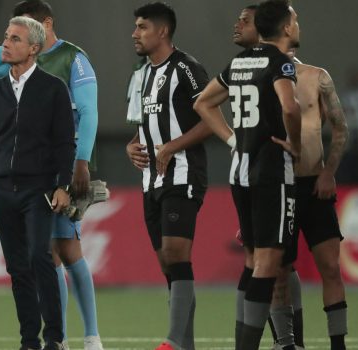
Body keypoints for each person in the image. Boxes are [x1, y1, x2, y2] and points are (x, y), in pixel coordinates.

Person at [0, 2, 101, 348]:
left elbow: (62, 143)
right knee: (17, 268)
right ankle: (30, 339)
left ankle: (55, 337)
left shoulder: (53, 87)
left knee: (41, 257)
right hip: (3, 189)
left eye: (14, 39)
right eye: (6, 37)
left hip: (39, 188)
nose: (5, 45)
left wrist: (61, 185)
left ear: (34, 48)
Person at [193, 0, 301, 348]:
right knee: (269, 262)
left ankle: (244, 340)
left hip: (240, 171)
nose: (297, 25)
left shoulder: (240, 62)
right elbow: (289, 107)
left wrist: (231, 140)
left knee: (253, 259)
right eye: (295, 20)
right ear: (285, 28)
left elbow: (203, 103)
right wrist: (294, 145)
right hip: (270, 170)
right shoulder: (281, 63)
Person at [124, 3, 211, 349]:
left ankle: (173, 341)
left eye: (142, 27)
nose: (135, 33)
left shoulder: (187, 69)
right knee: (169, 266)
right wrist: (131, 147)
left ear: (162, 31)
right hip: (151, 181)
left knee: (176, 253)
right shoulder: (141, 74)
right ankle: (185, 345)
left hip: (183, 173)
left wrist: (173, 145)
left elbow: (210, 119)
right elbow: (142, 126)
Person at [287, 49, 349, 350]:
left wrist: (328, 172)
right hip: (278, 185)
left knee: (331, 268)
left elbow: (340, 129)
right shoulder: (259, 78)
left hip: (314, 185)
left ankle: (338, 345)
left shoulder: (316, 77)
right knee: (278, 270)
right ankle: (289, 343)